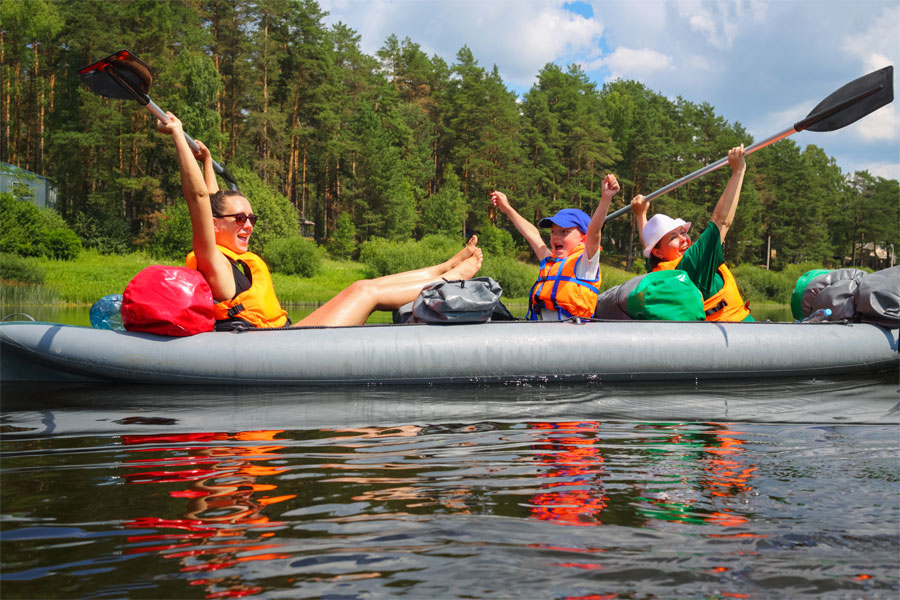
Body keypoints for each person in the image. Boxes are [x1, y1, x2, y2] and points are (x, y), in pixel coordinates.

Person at [158, 112, 482, 329]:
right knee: (365, 293)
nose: (249, 225)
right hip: (277, 349)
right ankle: (448, 279)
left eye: (252, 217)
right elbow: (201, 201)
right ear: (215, 225)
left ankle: (443, 269)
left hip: (285, 335)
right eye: (240, 218)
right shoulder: (211, 260)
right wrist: (177, 136)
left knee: (361, 285)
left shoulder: (229, 252)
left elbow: (213, 203)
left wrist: (208, 160)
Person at [631, 144, 752, 322]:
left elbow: (648, 245)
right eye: (674, 237)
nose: (684, 239)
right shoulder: (691, 263)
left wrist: (640, 214)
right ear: (659, 251)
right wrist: (738, 171)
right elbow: (721, 221)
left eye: (682, 232)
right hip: (738, 331)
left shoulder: (659, 271)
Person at [490, 174, 620, 320]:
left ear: (583, 239)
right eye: (553, 232)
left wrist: (606, 198)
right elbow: (532, 235)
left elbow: (594, 232)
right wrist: (507, 208)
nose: (556, 236)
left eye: (564, 231)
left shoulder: (586, 264)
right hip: (547, 333)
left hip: (574, 332)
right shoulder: (551, 261)